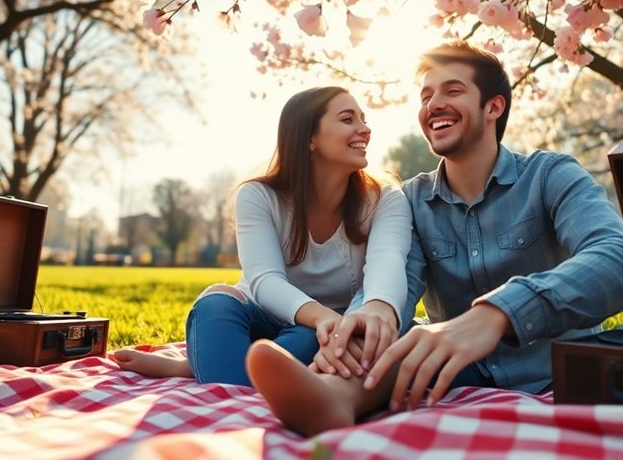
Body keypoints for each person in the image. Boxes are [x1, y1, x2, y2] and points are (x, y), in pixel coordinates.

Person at [245, 41, 623, 435]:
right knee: (396, 331)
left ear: (494, 107)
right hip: (459, 373)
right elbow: (393, 283)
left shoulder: (550, 175)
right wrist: (366, 316)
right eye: (426, 95)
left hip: (562, 370)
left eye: (452, 90)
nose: (433, 104)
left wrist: (498, 314)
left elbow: (620, 259)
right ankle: (334, 397)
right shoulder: (412, 201)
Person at [112, 87, 412, 385]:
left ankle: (203, 366)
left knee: (307, 340)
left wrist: (348, 321)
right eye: (348, 119)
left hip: (326, 331)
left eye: (363, 118)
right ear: (309, 138)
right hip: (266, 314)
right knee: (214, 307)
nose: (365, 129)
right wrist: (323, 318)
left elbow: (388, 262)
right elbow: (265, 281)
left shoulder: (386, 198)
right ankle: (219, 364)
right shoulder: (258, 196)